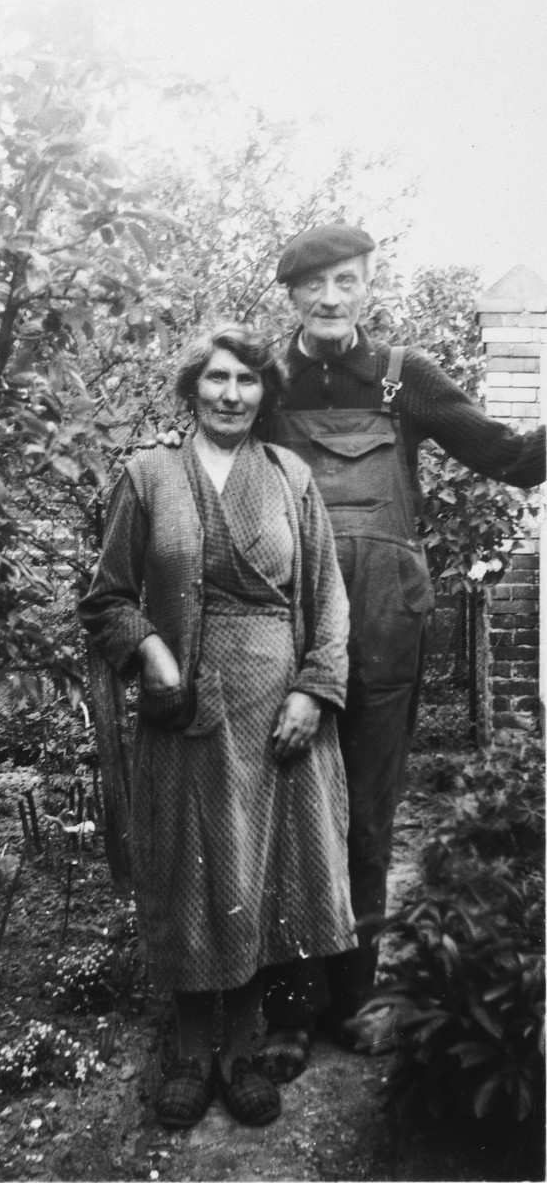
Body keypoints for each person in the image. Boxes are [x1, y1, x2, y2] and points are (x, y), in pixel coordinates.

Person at [258, 223, 546, 1066]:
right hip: (287, 625)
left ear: (367, 286)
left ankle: (353, 1001)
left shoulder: (403, 379)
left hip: (387, 625)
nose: (332, 299)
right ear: (294, 296)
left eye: (347, 281)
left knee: (369, 819)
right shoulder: (264, 383)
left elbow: (511, 457)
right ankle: (287, 1012)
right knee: (287, 812)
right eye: (315, 286)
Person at [79, 324, 356, 1129]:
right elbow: (106, 598)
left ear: (264, 393)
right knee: (191, 868)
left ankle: (242, 1045)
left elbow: (329, 601)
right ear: (191, 388)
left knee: (258, 870)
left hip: (277, 713)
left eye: (247, 380)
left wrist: (314, 690)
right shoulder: (148, 477)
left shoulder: (289, 477)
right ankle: (191, 1046)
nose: (231, 394)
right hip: (184, 708)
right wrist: (152, 654)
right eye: (217, 379)